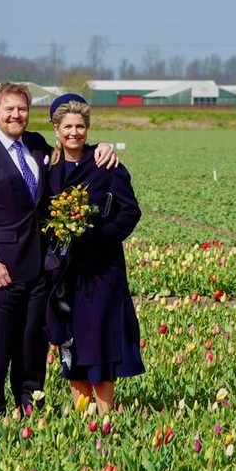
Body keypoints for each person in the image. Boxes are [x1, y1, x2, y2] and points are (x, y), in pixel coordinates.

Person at [0, 82, 116, 415]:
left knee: (32, 343)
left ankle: (29, 405)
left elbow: (72, 147)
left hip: (39, 265)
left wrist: (104, 147)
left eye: (22, 109)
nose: (16, 114)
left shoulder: (36, 144)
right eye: (9, 109)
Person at [45, 93, 144, 414]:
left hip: (102, 270)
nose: (74, 133)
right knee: (70, 339)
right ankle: (81, 415)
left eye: (81, 126)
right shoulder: (48, 168)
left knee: (100, 340)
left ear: (88, 129)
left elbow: (130, 212)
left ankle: (104, 416)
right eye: (67, 127)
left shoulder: (105, 164)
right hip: (64, 273)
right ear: (56, 130)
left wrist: (96, 236)